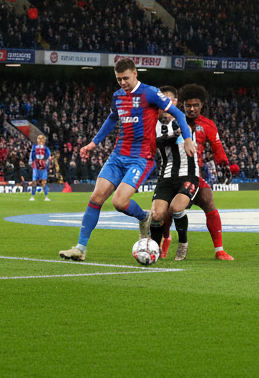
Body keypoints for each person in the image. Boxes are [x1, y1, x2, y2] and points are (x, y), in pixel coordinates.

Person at [58, 60, 194, 262]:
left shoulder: (150, 93)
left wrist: (188, 139)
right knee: (96, 197)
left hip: (141, 158)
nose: (122, 82)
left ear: (135, 73)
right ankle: (80, 248)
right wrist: (94, 143)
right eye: (119, 79)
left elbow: (179, 114)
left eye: (126, 78)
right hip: (117, 155)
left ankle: (144, 217)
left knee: (119, 202)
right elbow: (112, 119)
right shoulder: (118, 96)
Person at [162, 83, 237, 261]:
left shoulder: (208, 125)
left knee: (208, 202)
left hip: (194, 175)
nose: (192, 109)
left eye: (195, 105)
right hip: (173, 174)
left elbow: (217, 149)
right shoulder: (171, 122)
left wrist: (225, 166)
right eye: (188, 105)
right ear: (182, 105)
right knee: (166, 212)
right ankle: (165, 239)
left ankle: (219, 250)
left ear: (201, 105)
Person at [148, 86, 201, 256]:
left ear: (175, 102)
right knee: (156, 215)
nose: (162, 104)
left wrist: (178, 134)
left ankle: (183, 242)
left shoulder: (184, 121)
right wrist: (173, 136)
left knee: (176, 208)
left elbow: (186, 134)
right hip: (166, 175)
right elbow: (157, 143)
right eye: (159, 101)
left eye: (166, 100)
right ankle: (154, 250)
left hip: (188, 174)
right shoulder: (153, 125)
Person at [28, 134, 51, 201]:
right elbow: (31, 156)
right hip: (36, 166)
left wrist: (48, 161)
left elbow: (49, 156)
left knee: (44, 182)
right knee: (34, 182)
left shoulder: (46, 148)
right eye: (39, 139)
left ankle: (46, 196)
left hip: (43, 167)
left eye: (42, 139)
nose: (41, 140)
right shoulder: (34, 147)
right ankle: (32, 196)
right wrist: (31, 162)